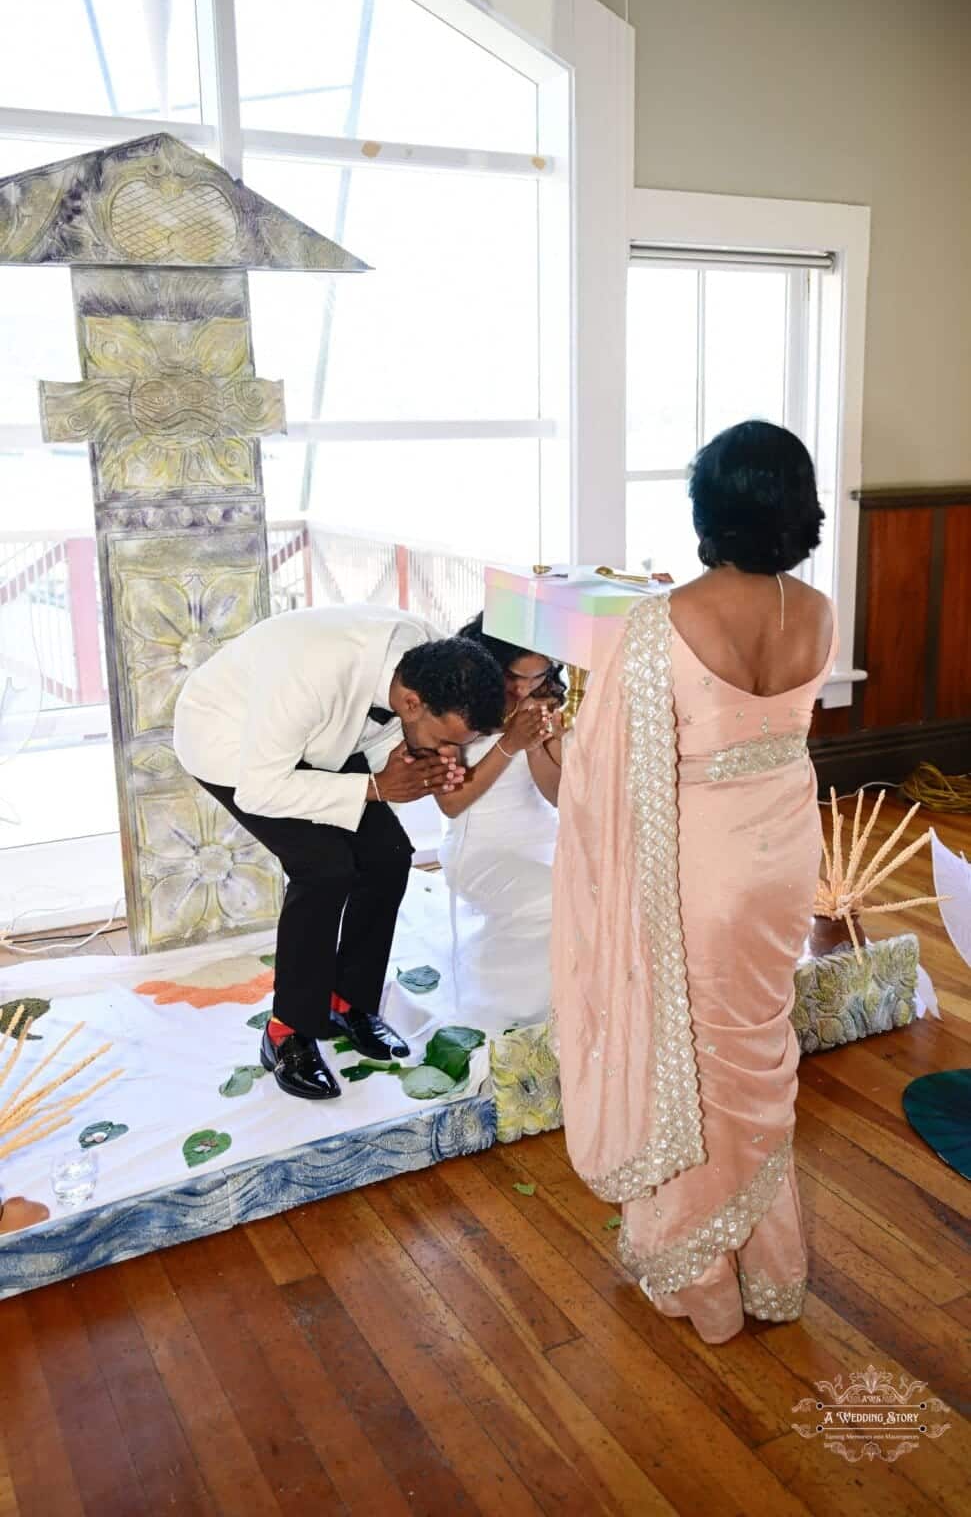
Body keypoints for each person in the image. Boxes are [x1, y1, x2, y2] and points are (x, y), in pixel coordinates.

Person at [552, 420, 835, 1344]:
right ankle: (767, 1268)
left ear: (704, 507)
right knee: (754, 1049)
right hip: (786, 850)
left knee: (691, 1056)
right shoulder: (818, 609)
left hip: (702, 864)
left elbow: (601, 786)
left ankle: (699, 1273)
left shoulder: (660, 623)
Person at [173, 604, 505, 1100]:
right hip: (234, 744)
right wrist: (375, 786)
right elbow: (259, 792)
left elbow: (377, 738)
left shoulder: (431, 656)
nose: (449, 753)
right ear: (412, 704)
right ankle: (287, 1031)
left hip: (325, 735)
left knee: (390, 855)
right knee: (324, 868)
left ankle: (345, 1002)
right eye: (445, 741)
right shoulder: (311, 676)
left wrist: (405, 762)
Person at [436, 615, 565, 1029]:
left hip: (544, 837)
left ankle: (572, 1006)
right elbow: (451, 804)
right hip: (479, 849)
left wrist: (536, 746)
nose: (525, 688)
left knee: (597, 890)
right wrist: (510, 743)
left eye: (538, 676)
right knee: (550, 898)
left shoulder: (542, 703)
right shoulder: (455, 705)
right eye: (515, 677)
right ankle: (519, 1011)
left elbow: (559, 796)